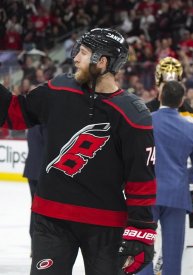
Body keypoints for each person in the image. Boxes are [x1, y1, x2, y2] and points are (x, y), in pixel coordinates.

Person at [0, 28, 156, 275]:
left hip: (106, 224)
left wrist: (141, 231)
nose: (75, 58)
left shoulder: (133, 113)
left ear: (101, 62)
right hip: (51, 219)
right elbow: (15, 113)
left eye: (83, 53)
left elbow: (141, 181)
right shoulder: (59, 89)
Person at [138, 81, 193, 275]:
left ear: (159, 96)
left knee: (142, 250)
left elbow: (133, 157)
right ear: (181, 101)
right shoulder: (191, 129)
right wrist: (181, 179)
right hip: (176, 194)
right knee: (173, 257)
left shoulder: (146, 122)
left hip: (147, 192)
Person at [22, 124, 45, 252]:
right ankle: (38, 245)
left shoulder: (32, 123)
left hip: (32, 170)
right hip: (42, 172)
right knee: (41, 211)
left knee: (36, 209)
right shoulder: (46, 122)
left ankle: (35, 244)